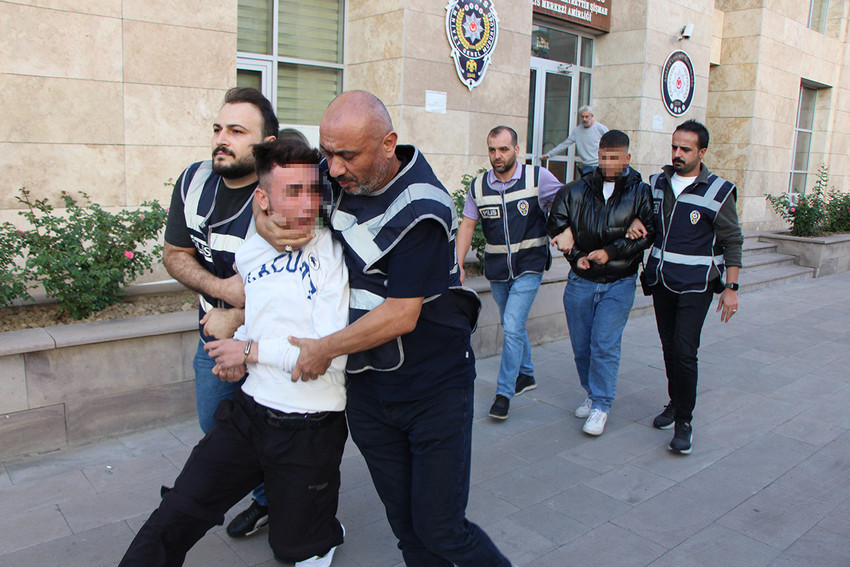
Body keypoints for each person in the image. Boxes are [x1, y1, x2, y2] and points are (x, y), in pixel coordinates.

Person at [255, 90, 515, 567]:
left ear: (388, 144)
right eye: (326, 152)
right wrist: (262, 218)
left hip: (433, 391)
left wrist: (322, 350)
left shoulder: (423, 207)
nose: (332, 170)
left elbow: (401, 314)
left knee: (443, 529)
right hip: (370, 394)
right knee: (406, 529)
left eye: (346, 156)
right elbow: (278, 186)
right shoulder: (338, 174)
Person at [120, 139, 350, 567]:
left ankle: (324, 529)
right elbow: (266, 313)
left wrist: (246, 350)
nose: (308, 205)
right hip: (249, 413)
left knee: (294, 549)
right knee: (178, 511)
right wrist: (236, 346)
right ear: (262, 199)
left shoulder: (334, 254)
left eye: (314, 191)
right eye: (293, 192)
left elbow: (328, 356)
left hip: (309, 427)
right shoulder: (251, 250)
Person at [162, 87, 277, 536]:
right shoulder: (193, 182)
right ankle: (268, 499)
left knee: (283, 432)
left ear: (266, 145)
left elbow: (302, 274)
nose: (221, 139)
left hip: (270, 341)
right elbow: (175, 253)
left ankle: (303, 508)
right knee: (217, 426)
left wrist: (240, 313)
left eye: (236, 130)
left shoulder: (283, 191)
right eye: (217, 128)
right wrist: (223, 291)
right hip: (212, 337)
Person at [642, 119, 743, 455]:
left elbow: (732, 240)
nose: (677, 154)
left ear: (702, 152)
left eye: (685, 149)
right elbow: (648, 221)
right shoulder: (658, 183)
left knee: (685, 352)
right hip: (661, 281)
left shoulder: (718, 190)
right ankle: (675, 400)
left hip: (697, 284)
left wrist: (732, 287)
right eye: (674, 147)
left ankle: (684, 419)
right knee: (669, 348)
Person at [547, 130, 655, 436]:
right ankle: (592, 392)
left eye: (615, 158)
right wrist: (577, 254)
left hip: (619, 280)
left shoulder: (640, 192)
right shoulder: (577, 190)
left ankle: (602, 405)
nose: (608, 163)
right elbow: (556, 221)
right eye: (604, 156)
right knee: (582, 346)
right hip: (581, 279)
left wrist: (610, 252)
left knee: (604, 343)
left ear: (627, 158)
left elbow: (649, 233)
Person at [456, 126, 562, 420]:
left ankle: (504, 393)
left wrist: (566, 233)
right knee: (511, 322)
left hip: (531, 264)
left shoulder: (537, 178)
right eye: (492, 149)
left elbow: (568, 201)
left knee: (512, 325)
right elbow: (467, 224)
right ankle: (526, 374)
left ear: (517, 150)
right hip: (498, 269)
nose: (497, 155)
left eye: (503, 149)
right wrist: (459, 264)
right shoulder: (479, 186)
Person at [543, 105, 608, 177]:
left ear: (592, 116)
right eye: (582, 117)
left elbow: (611, 142)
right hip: (586, 166)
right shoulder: (577, 131)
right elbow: (564, 144)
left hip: (599, 165)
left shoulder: (600, 128)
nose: (584, 119)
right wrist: (549, 154)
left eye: (587, 116)